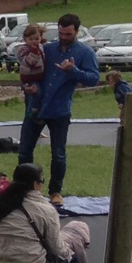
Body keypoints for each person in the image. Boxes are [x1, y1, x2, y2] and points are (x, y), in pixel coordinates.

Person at [18, 12, 99, 198]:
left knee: (58, 153)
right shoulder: (47, 49)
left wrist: (74, 71)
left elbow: (94, 78)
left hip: (59, 108)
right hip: (36, 105)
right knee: (24, 151)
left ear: (77, 32)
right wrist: (27, 87)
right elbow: (28, 70)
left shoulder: (85, 53)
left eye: (68, 34)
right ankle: (25, 190)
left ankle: (55, 192)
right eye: (61, 33)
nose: (63, 37)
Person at [0, 163, 90, 263]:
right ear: (35, 184)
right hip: (30, 261)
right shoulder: (46, 209)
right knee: (75, 232)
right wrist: (70, 255)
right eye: (42, 181)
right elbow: (56, 247)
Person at [15, 24, 46, 126]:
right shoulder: (23, 50)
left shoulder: (41, 47)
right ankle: (33, 112)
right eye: (31, 39)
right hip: (29, 78)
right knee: (36, 93)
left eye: (37, 39)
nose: (34, 41)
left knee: (42, 94)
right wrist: (34, 52)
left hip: (39, 76)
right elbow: (29, 62)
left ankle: (37, 111)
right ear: (25, 39)